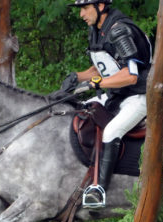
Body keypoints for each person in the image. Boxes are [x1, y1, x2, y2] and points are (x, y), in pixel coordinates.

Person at [59, 0, 152, 207]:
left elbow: (131, 76)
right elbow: (99, 68)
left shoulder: (120, 30)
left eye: (85, 8)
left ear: (100, 5)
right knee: (80, 111)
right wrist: (77, 77)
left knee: (111, 131)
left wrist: (98, 83)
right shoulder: (97, 29)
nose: (81, 14)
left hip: (139, 96)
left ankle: (99, 190)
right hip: (117, 95)